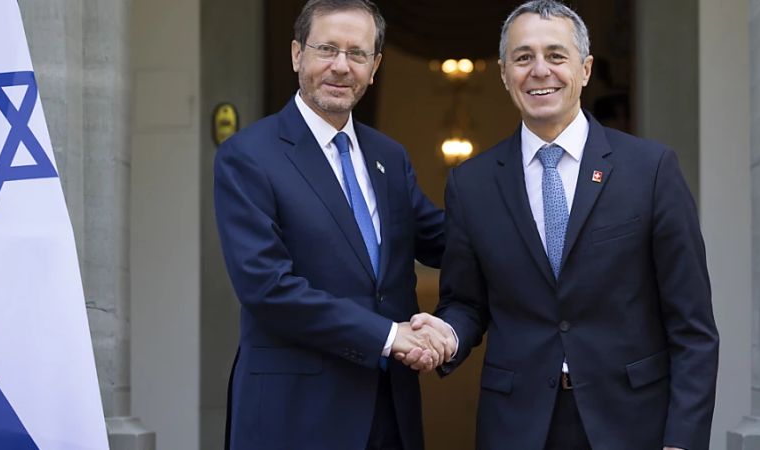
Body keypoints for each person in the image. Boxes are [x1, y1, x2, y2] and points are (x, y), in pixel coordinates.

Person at [404, 1, 719, 449]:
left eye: (556, 56)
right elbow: (467, 303)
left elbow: (692, 328)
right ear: (503, 72)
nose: (539, 70)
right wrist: (446, 334)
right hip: (518, 427)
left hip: (633, 425)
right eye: (523, 57)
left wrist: (682, 442)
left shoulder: (650, 171)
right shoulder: (471, 184)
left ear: (585, 69)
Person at [213, 1, 450, 449]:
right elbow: (267, 287)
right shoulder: (248, 156)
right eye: (327, 49)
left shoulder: (389, 157)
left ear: (375, 66)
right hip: (295, 413)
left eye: (357, 54)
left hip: (389, 411)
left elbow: (444, 242)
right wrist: (389, 335)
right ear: (297, 55)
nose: (341, 66)